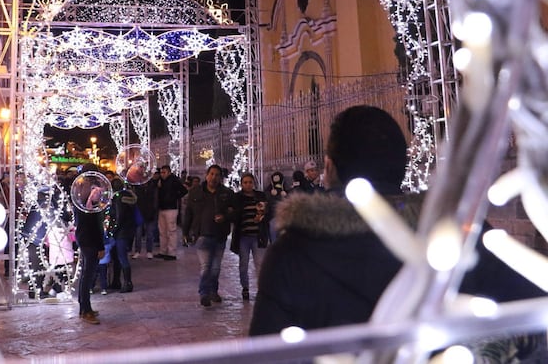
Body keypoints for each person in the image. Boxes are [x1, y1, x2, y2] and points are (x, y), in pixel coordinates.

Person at [249, 105, 546, 360]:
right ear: (401, 168)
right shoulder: (463, 237)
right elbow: (533, 319)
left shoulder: (292, 253)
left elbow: (267, 355)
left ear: (329, 168)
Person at [183, 164, 233, 307]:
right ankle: (204, 293)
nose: (214, 177)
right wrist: (185, 232)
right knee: (206, 266)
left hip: (220, 235)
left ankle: (213, 291)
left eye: (217, 175)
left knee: (216, 267)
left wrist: (225, 217)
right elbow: (188, 214)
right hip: (202, 235)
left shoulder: (226, 193)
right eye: (211, 174)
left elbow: (233, 212)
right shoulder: (195, 192)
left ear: (220, 177)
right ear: (207, 175)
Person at [73, 165, 106, 324]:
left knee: (86, 274)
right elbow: (94, 224)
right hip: (90, 239)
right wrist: (100, 246)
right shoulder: (91, 194)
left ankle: (85, 308)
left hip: (83, 236)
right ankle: (85, 310)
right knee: (88, 275)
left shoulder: (80, 190)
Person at [229, 172, 269, 301]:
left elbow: (268, 212)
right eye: (245, 182)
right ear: (241, 184)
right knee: (243, 264)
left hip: (257, 236)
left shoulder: (260, 196)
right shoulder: (237, 198)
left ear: (253, 183)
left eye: (250, 182)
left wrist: (262, 217)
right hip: (243, 237)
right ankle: (245, 288)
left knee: (260, 264)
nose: (248, 185)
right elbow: (234, 216)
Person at [156, 165, 188, 260]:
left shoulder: (174, 180)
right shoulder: (160, 181)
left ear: (169, 172)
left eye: (164, 172)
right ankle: (163, 250)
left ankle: (171, 253)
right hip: (162, 208)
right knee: (162, 231)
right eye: (161, 172)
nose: (162, 174)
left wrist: (174, 197)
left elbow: (184, 191)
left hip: (171, 208)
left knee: (171, 231)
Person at [132, 175, 158, 259]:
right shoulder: (137, 188)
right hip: (139, 213)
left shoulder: (153, 187)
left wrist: (154, 210)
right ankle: (137, 251)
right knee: (138, 234)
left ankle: (149, 251)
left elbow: (155, 200)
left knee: (149, 234)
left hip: (150, 213)